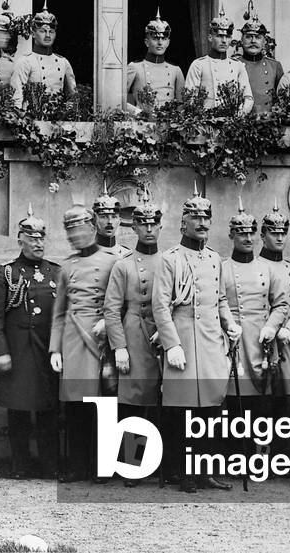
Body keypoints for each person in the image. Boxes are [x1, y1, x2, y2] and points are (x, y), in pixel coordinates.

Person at [151, 184, 240, 493]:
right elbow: (160, 305)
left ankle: (206, 472)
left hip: (212, 343)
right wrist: (171, 344)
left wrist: (231, 325)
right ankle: (182, 472)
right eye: (196, 218)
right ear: (183, 222)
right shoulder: (170, 259)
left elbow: (221, 300)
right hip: (184, 342)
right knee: (183, 410)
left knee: (211, 412)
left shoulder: (215, 259)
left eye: (207, 219)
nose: (202, 224)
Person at [0, 205, 61, 479]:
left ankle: (50, 463)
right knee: (18, 411)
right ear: (20, 240)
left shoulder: (56, 273)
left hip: (47, 351)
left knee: (48, 410)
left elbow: (63, 315)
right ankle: (20, 465)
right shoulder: (6, 273)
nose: (38, 243)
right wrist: (1, 352)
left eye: (41, 238)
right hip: (17, 352)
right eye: (32, 238)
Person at [49, 205, 118, 483]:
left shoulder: (114, 260)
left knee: (102, 405)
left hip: (102, 339)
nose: (76, 237)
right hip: (74, 340)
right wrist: (55, 348)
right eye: (71, 233)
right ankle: (77, 466)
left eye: (79, 231)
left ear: (92, 229)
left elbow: (121, 303)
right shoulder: (67, 266)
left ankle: (103, 466)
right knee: (76, 406)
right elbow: (59, 311)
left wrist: (109, 324)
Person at [103, 190, 163, 486]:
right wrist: (120, 348)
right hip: (134, 332)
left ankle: (164, 464)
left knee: (168, 400)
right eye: (143, 224)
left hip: (164, 333)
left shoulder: (171, 261)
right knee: (133, 401)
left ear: (160, 227)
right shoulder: (124, 265)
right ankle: (131, 465)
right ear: (135, 227)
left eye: (154, 224)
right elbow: (111, 310)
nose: (149, 229)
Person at [221, 199, 290, 458]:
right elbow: (217, 301)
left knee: (260, 402)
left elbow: (281, 304)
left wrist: (272, 326)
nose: (247, 238)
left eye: (251, 232)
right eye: (241, 233)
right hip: (231, 339)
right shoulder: (222, 267)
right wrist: (228, 325)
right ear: (232, 235)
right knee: (232, 400)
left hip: (261, 340)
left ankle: (258, 455)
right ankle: (233, 455)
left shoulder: (267, 269)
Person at [258, 201, 290, 417]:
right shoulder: (253, 266)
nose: (279, 238)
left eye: (283, 233)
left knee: (287, 401)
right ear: (262, 235)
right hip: (258, 339)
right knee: (258, 400)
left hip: (286, 342)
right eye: (274, 233)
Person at [184, 7, 253, 111]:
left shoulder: (237, 65)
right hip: (206, 121)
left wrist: (239, 116)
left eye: (227, 37)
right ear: (210, 37)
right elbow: (190, 98)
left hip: (232, 121)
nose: (224, 41)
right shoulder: (199, 65)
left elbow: (248, 98)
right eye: (219, 36)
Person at [11, 0, 77, 109]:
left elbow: (72, 96)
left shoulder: (63, 62)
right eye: (42, 31)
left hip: (58, 120)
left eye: (51, 32)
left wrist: (67, 115)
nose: (47, 36)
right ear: (33, 33)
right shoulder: (25, 61)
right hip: (32, 118)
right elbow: (17, 96)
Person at [125, 9, 185, 111]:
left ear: (168, 43)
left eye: (163, 39)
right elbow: (118, 98)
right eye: (155, 39)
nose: (160, 43)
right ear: (147, 42)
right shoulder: (135, 67)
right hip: (143, 122)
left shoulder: (175, 70)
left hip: (170, 123)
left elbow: (181, 104)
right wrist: (137, 113)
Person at [232, 1, 284, 114]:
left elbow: (282, 99)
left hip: (267, 122)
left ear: (265, 41)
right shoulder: (233, 65)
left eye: (258, 37)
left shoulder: (275, 66)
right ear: (241, 40)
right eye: (249, 37)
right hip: (241, 123)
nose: (253, 41)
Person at [93, 183, 131, 257]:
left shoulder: (127, 254)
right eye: (104, 217)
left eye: (114, 217)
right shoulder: (87, 255)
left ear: (119, 220)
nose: (110, 222)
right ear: (94, 219)